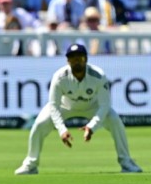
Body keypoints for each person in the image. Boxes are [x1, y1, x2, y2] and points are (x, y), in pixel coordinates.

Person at [14, 44, 142, 175]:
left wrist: (92, 126)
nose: (76, 61)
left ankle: (126, 162)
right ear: (67, 61)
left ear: (85, 59)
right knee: (40, 124)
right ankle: (31, 165)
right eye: (72, 58)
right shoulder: (59, 77)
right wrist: (62, 130)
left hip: (93, 106)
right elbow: (54, 105)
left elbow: (104, 105)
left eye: (79, 58)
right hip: (66, 106)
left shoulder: (98, 75)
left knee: (115, 121)